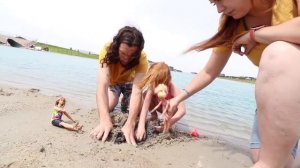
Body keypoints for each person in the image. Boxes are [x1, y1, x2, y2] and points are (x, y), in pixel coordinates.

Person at [166, 0, 300, 167]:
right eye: (214, 4)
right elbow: (209, 71)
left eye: (220, 0)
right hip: (277, 101)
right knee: (265, 157)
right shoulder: (232, 23)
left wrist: (255, 35)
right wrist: (178, 98)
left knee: (278, 52)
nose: (219, 9)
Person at [90, 26, 148, 145]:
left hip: (130, 84)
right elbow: (102, 85)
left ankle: (126, 108)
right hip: (113, 83)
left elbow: (137, 91)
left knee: (135, 110)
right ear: (117, 46)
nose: (126, 59)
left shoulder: (142, 58)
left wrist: (130, 123)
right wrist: (104, 119)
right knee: (109, 105)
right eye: (123, 53)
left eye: (131, 55)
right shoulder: (107, 49)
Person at [135, 62, 186, 141]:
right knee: (145, 94)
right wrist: (141, 126)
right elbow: (145, 107)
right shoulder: (153, 86)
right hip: (159, 106)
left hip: (171, 109)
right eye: (155, 82)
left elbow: (182, 110)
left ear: (168, 79)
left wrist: (171, 122)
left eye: (161, 82)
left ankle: (171, 122)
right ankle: (154, 115)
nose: (157, 85)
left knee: (170, 125)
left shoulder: (172, 87)